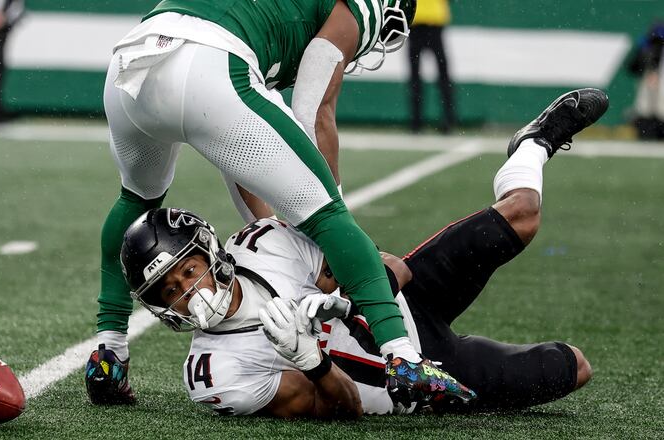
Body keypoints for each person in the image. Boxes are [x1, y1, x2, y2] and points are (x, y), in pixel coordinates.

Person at [115, 88, 608, 417]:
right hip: (421, 376)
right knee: (575, 366)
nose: (188, 292)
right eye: (169, 290)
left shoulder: (262, 244)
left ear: (209, 253)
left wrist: (343, 300)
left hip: (401, 305)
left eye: (188, 272)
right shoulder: (214, 373)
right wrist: (309, 358)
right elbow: (344, 409)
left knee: (522, 214)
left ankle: (532, 145)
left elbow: (393, 269)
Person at [88, 0, 428, 405]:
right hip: (208, 62)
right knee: (330, 216)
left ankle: (108, 353)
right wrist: (327, 225)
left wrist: (268, 231)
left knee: (134, 199)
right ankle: (402, 356)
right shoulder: (360, 7)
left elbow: (237, 148)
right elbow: (312, 107)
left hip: (132, 66)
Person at [407, 0, 455, 133]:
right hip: (433, 20)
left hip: (418, 19)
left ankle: (416, 122)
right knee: (442, 75)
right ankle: (448, 120)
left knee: (416, 76)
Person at [627, 21, 664, 140]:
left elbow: (632, 67)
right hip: (648, 94)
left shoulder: (646, 47)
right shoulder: (646, 47)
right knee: (646, 108)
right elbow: (633, 67)